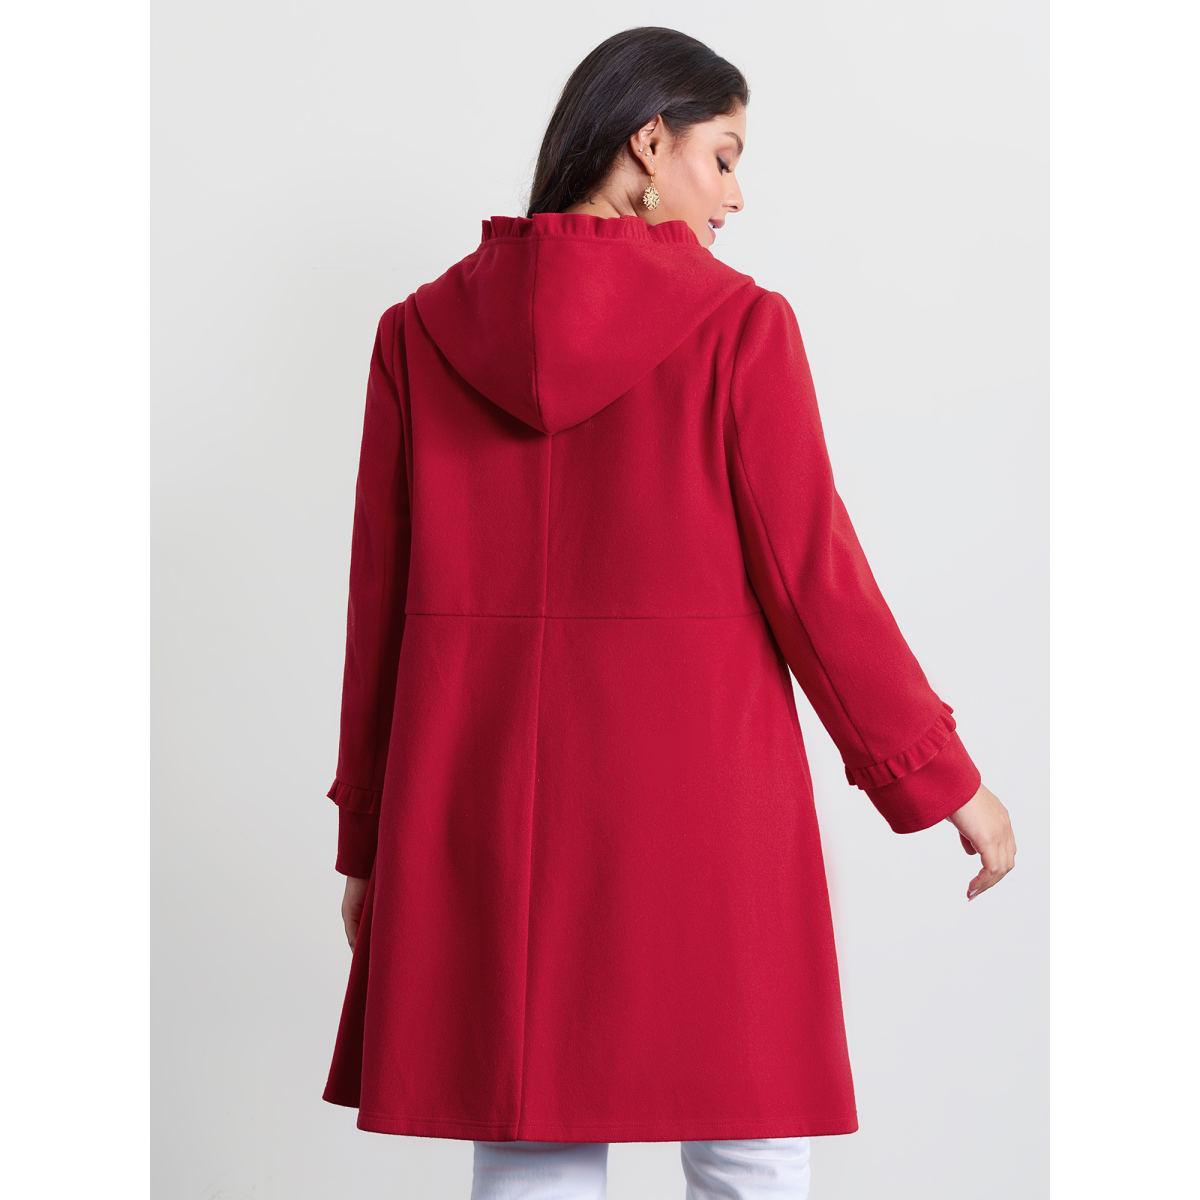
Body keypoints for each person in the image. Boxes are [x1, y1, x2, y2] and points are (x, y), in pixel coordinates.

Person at [320, 25, 1016, 1200]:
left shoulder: (419, 335)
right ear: (649, 142)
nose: (736, 198)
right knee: (748, 1146)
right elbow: (815, 582)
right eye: (723, 157)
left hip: (492, 814)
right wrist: (943, 776)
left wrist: (369, 842)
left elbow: (376, 615)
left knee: (533, 1141)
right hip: (708, 813)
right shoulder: (739, 327)